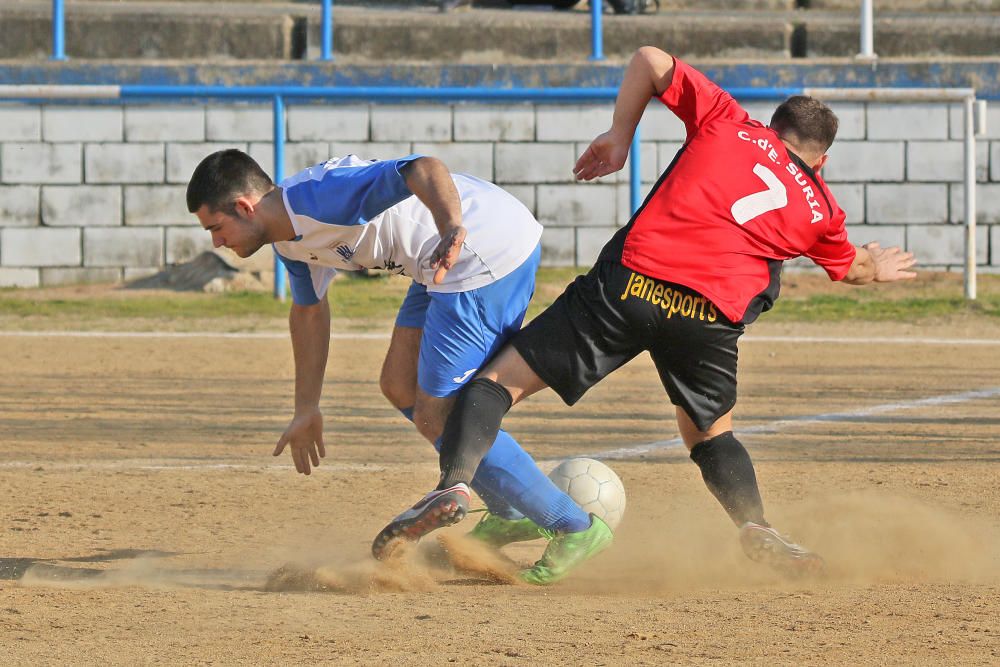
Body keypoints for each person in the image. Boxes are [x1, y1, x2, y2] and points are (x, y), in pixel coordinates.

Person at [373, 46, 918, 580]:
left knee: (494, 384)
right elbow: (850, 269)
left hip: (631, 283)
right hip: (708, 316)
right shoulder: (821, 206)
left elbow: (650, 61)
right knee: (710, 437)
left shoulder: (730, 121)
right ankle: (756, 527)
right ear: (821, 159)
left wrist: (620, 136)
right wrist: (879, 264)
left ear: (774, 128)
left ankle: (456, 484)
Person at [185, 149, 605, 584]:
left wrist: (451, 228)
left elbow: (424, 168)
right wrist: (306, 407)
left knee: (437, 410)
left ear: (243, 207)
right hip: (435, 262)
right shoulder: (288, 243)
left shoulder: (320, 199)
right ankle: (510, 512)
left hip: (483, 250)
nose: (217, 242)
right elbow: (309, 312)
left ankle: (572, 526)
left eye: (216, 228)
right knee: (400, 386)